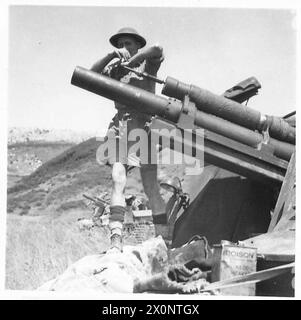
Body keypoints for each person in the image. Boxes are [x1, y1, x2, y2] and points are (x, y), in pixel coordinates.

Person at [91, 27, 167, 251]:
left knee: (151, 186)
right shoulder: (115, 68)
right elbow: (91, 74)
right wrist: (112, 56)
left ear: (137, 45)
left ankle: (164, 239)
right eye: (120, 44)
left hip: (144, 126)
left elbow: (158, 48)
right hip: (121, 125)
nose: (124, 47)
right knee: (118, 178)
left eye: (129, 44)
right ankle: (116, 238)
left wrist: (135, 58)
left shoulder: (147, 63)